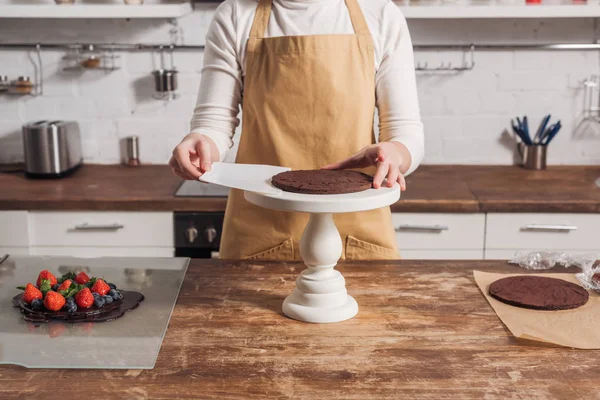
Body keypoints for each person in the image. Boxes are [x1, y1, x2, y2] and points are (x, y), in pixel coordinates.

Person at [170, 0, 424, 260]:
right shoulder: (235, 14)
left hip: (357, 234)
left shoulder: (381, 14)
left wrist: (396, 153)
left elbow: (403, 129)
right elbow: (215, 121)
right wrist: (200, 143)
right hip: (263, 233)